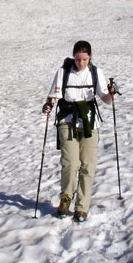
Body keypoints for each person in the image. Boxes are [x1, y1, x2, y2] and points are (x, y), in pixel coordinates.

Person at [42, 40, 116, 222]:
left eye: (84, 59)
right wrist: (49, 105)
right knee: (70, 163)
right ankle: (66, 198)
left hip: (90, 122)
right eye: (77, 59)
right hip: (67, 120)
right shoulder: (63, 72)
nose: (80, 63)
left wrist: (112, 93)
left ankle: (82, 207)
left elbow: (106, 99)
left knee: (88, 165)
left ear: (89, 57)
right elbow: (54, 95)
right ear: (73, 56)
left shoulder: (96, 73)